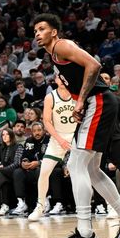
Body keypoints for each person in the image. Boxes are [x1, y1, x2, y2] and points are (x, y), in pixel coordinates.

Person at [32, 13, 120, 238]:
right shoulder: (54, 54)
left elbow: (94, 65)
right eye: (35, 31)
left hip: (99, 101)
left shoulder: (62, 45)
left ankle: (85, 233)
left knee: (75, 165)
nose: (37, 33)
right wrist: (79, 103)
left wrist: (80, 101)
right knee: (92, 170)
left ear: (54, 31)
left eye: (42, 28)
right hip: (97, 104)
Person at [29, 75, 78, 221]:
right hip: (58, 138)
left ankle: (108, 205)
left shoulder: (76, 94)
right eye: (59, 77)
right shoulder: (50, 97)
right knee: (44, 171)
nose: (62, 79)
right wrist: (60, 139)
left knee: (90, 172)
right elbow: (46, 122)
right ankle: (40, 206)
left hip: (76, 136)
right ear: (55, 80)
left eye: (64, 76)